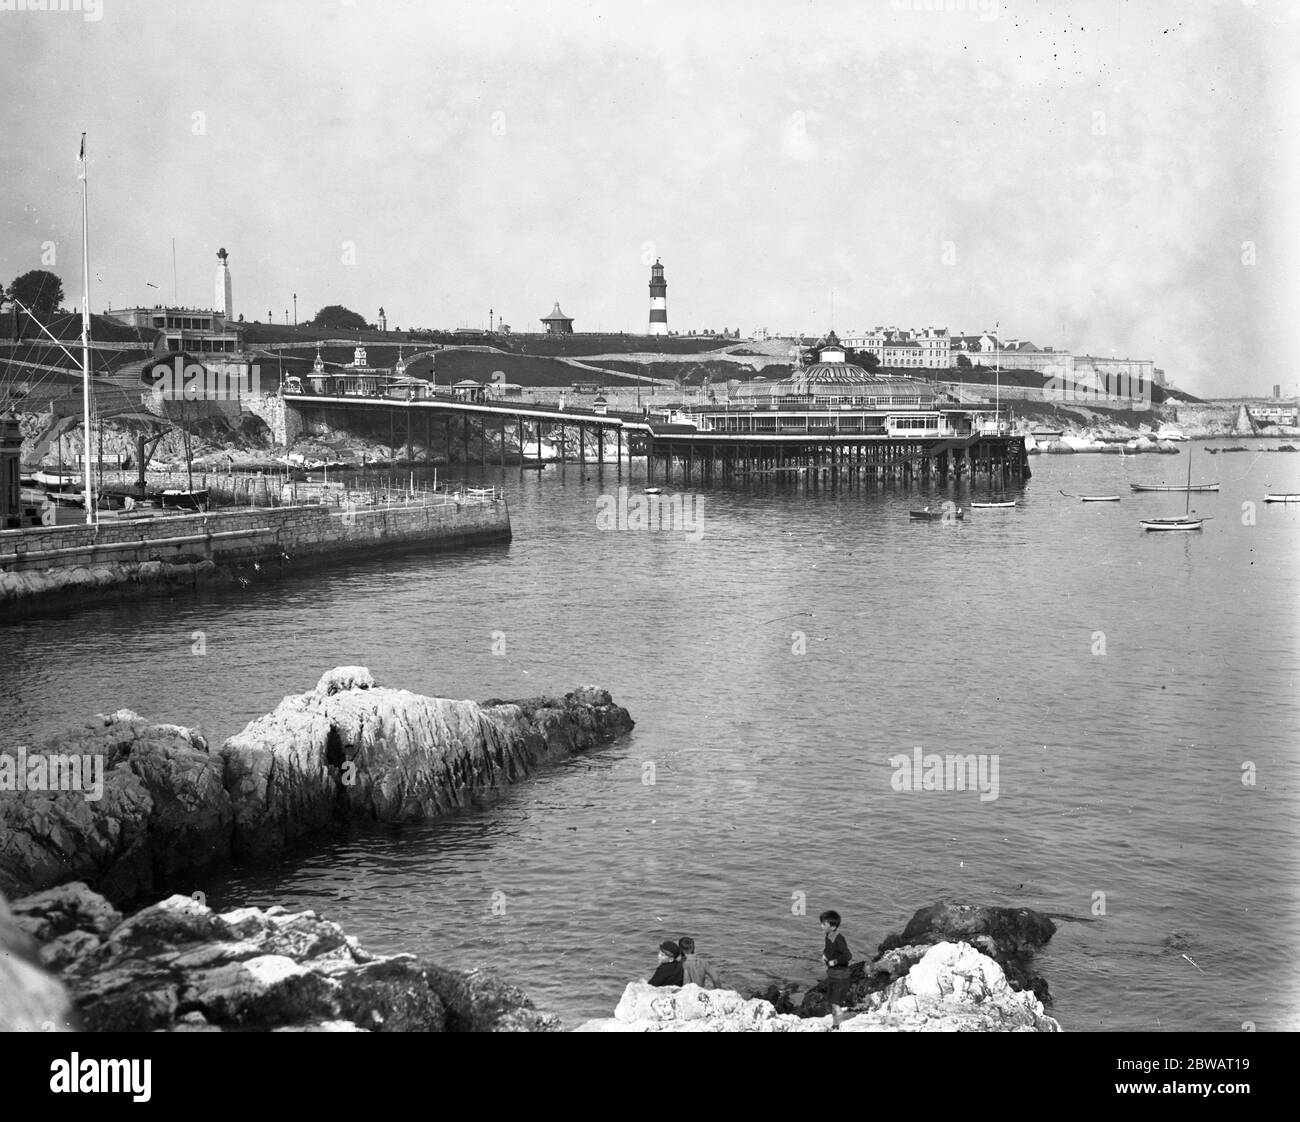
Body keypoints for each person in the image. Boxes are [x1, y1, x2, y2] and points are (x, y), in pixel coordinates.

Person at [819, 910, 851, 1029]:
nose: (821, 926)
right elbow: (828, 949)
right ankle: (835, 1025)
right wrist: (824, 955)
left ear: (833, 927)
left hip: (841, 976)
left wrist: (835, 961)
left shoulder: (839, 939)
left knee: (836, 1004)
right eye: (821, 923)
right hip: (832, 975)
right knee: (832, 1003)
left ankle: (843, 1026)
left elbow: (848, 956)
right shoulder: (828, 936)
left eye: (824, 924)